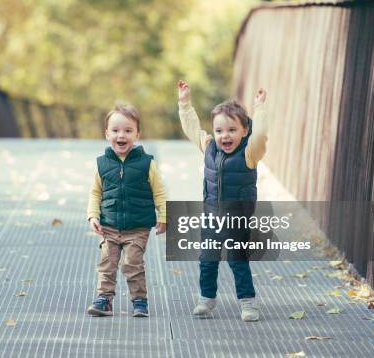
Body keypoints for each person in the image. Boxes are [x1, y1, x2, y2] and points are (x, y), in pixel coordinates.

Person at [177, 79, 268, 321]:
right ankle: (206, 299)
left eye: (231, 130)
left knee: (237, 261)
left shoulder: (250, 153)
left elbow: (260, 135)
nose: (224, 136)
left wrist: (259, 108)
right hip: (211, 217)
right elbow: (193, 129)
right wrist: (185, 104)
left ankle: (248, 303)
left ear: (244, 131)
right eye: (219, 131)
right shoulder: (209, 148)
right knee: (207, 260)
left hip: (237, 219)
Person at [86, 104, 167, 317]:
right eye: (115, 130)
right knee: (107, 264)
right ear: (107, 134)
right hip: (109, 225)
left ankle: (140, 301)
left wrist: (165, 215)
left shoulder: (146, 163)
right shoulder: (102, 164)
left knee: (133, 264)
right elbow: (95, 193)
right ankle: (104, 300)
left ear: (137, 135)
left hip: (137, 227)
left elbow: (159, 192)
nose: (121, 135)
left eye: (128, 130)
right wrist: (93, 215)